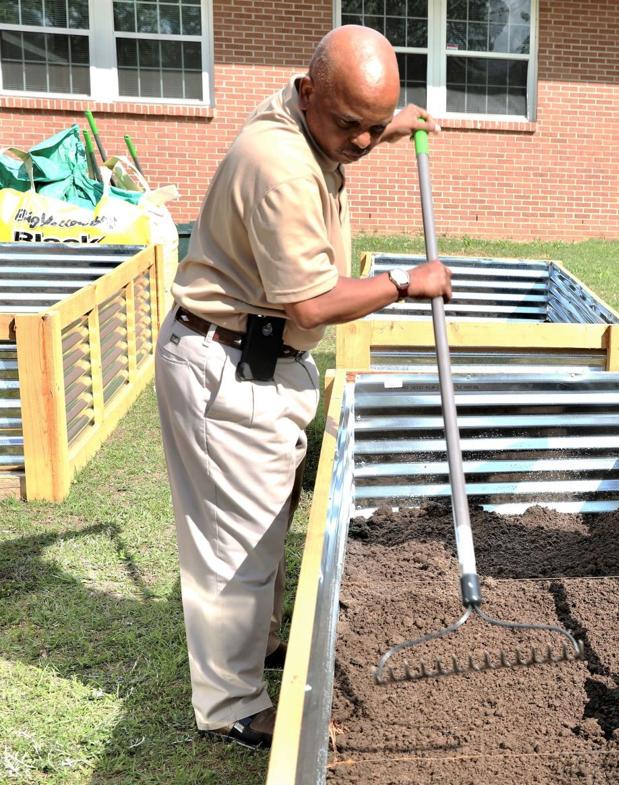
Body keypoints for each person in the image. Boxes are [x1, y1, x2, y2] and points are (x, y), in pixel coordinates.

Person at [154, 25, 452, 750]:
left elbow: (347, 121)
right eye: (349, 124)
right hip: (228, 367)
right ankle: (230, 702)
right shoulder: (279, 165)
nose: (360, 141)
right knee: (232, 548)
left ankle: (250, 655)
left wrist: (388, 125)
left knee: (259, 530)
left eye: (374, 125)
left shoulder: (301, 109)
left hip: (251, 360)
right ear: (312, 92)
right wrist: (406, 283)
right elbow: (313, 305)